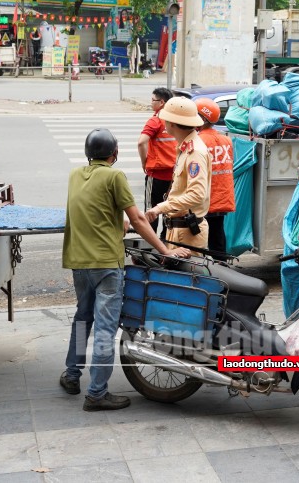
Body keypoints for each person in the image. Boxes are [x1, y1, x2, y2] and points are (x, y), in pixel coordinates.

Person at [60, 128, 187, 410]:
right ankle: (96, 393)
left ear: (87, 154)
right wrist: (165, 250)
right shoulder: (115, 176)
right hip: (106, 264)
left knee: (83, 318)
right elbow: (139, 220)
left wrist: (118, 224)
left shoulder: (75, 175)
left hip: (79, 262)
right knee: (105, 327)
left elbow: (94, 210)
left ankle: (71, 374)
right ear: (114, 155)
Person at [145, 97, 212, 250]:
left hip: (187, 231)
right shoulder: (185, 147)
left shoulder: (195, 152)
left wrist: (160, 208)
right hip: (179, 229)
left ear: (172, 123)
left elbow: (197, 194)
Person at [193, 97, 235, 253]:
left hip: (205, 199)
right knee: (217, 237)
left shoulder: (198, 141)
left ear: (202, 119)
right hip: (222, 197)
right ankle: (222, 268)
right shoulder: (226, 140)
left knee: (200, 240)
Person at [137, 88, 176, 236]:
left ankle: (150, 248)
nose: (151, 103)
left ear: (162, 102)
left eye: (153, 100)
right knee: (169, 211)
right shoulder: (176, 121)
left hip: (157, 175)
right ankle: (166, 246)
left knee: (151, 211)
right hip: (174, 176)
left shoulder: (155, 121)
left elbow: (141, 143)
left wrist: (144, 162)